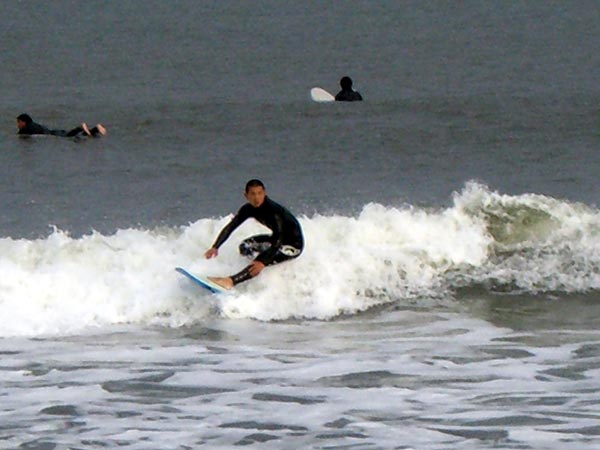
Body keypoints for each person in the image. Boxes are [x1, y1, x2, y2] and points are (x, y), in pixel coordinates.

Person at [204, 179, 304, 290]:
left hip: (293, 246)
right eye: (253, 194)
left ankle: (231, 281)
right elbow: (230, 227)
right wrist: (215, 247)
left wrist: (264, 261)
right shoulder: (247, 209)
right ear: (246, 195)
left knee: (261, 260)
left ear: (264, 193)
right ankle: (249, 274)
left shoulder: (274, 211)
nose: (256, 198)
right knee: (245, 246)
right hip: (276, 239)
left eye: (259, 193)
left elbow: (279, 238)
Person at [16, 113, 106, 137]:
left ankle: (80, 127)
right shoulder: (34, 124)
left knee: (69, 136)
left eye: (19, 122)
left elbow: (20, 136)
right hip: (54, 131)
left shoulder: (26, 128)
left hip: (54, 134)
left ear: (24, 122)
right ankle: (96, 129)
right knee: (80, 135)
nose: (18, 124)